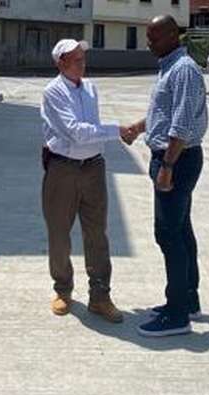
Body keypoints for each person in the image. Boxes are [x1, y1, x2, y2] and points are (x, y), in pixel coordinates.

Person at [40, 38, 137, 323]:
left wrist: (111, 133)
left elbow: (92, 129)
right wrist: (118, 130)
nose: (83, 64)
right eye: (77, 60)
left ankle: (100, 296)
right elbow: (76, 132)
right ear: (61, 63)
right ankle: (63, 289)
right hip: (63, 169)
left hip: (93, 168)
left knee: (97, 234)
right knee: (59, 233)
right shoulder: (53, 92)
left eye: (83, 59)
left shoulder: (91, 88)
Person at [125, 16, 209, 337]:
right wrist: (139, 126)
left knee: (168, 235)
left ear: (174, 35)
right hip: (174, 157)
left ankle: (176, 315)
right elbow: (165, 113)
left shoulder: (184, 69)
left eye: (155, 38)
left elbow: (181, 124)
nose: (149, 44)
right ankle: (187, 300)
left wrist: (168, 167)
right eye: (148, 38)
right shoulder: (170, 66)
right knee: (181, 230)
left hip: (178, 159)